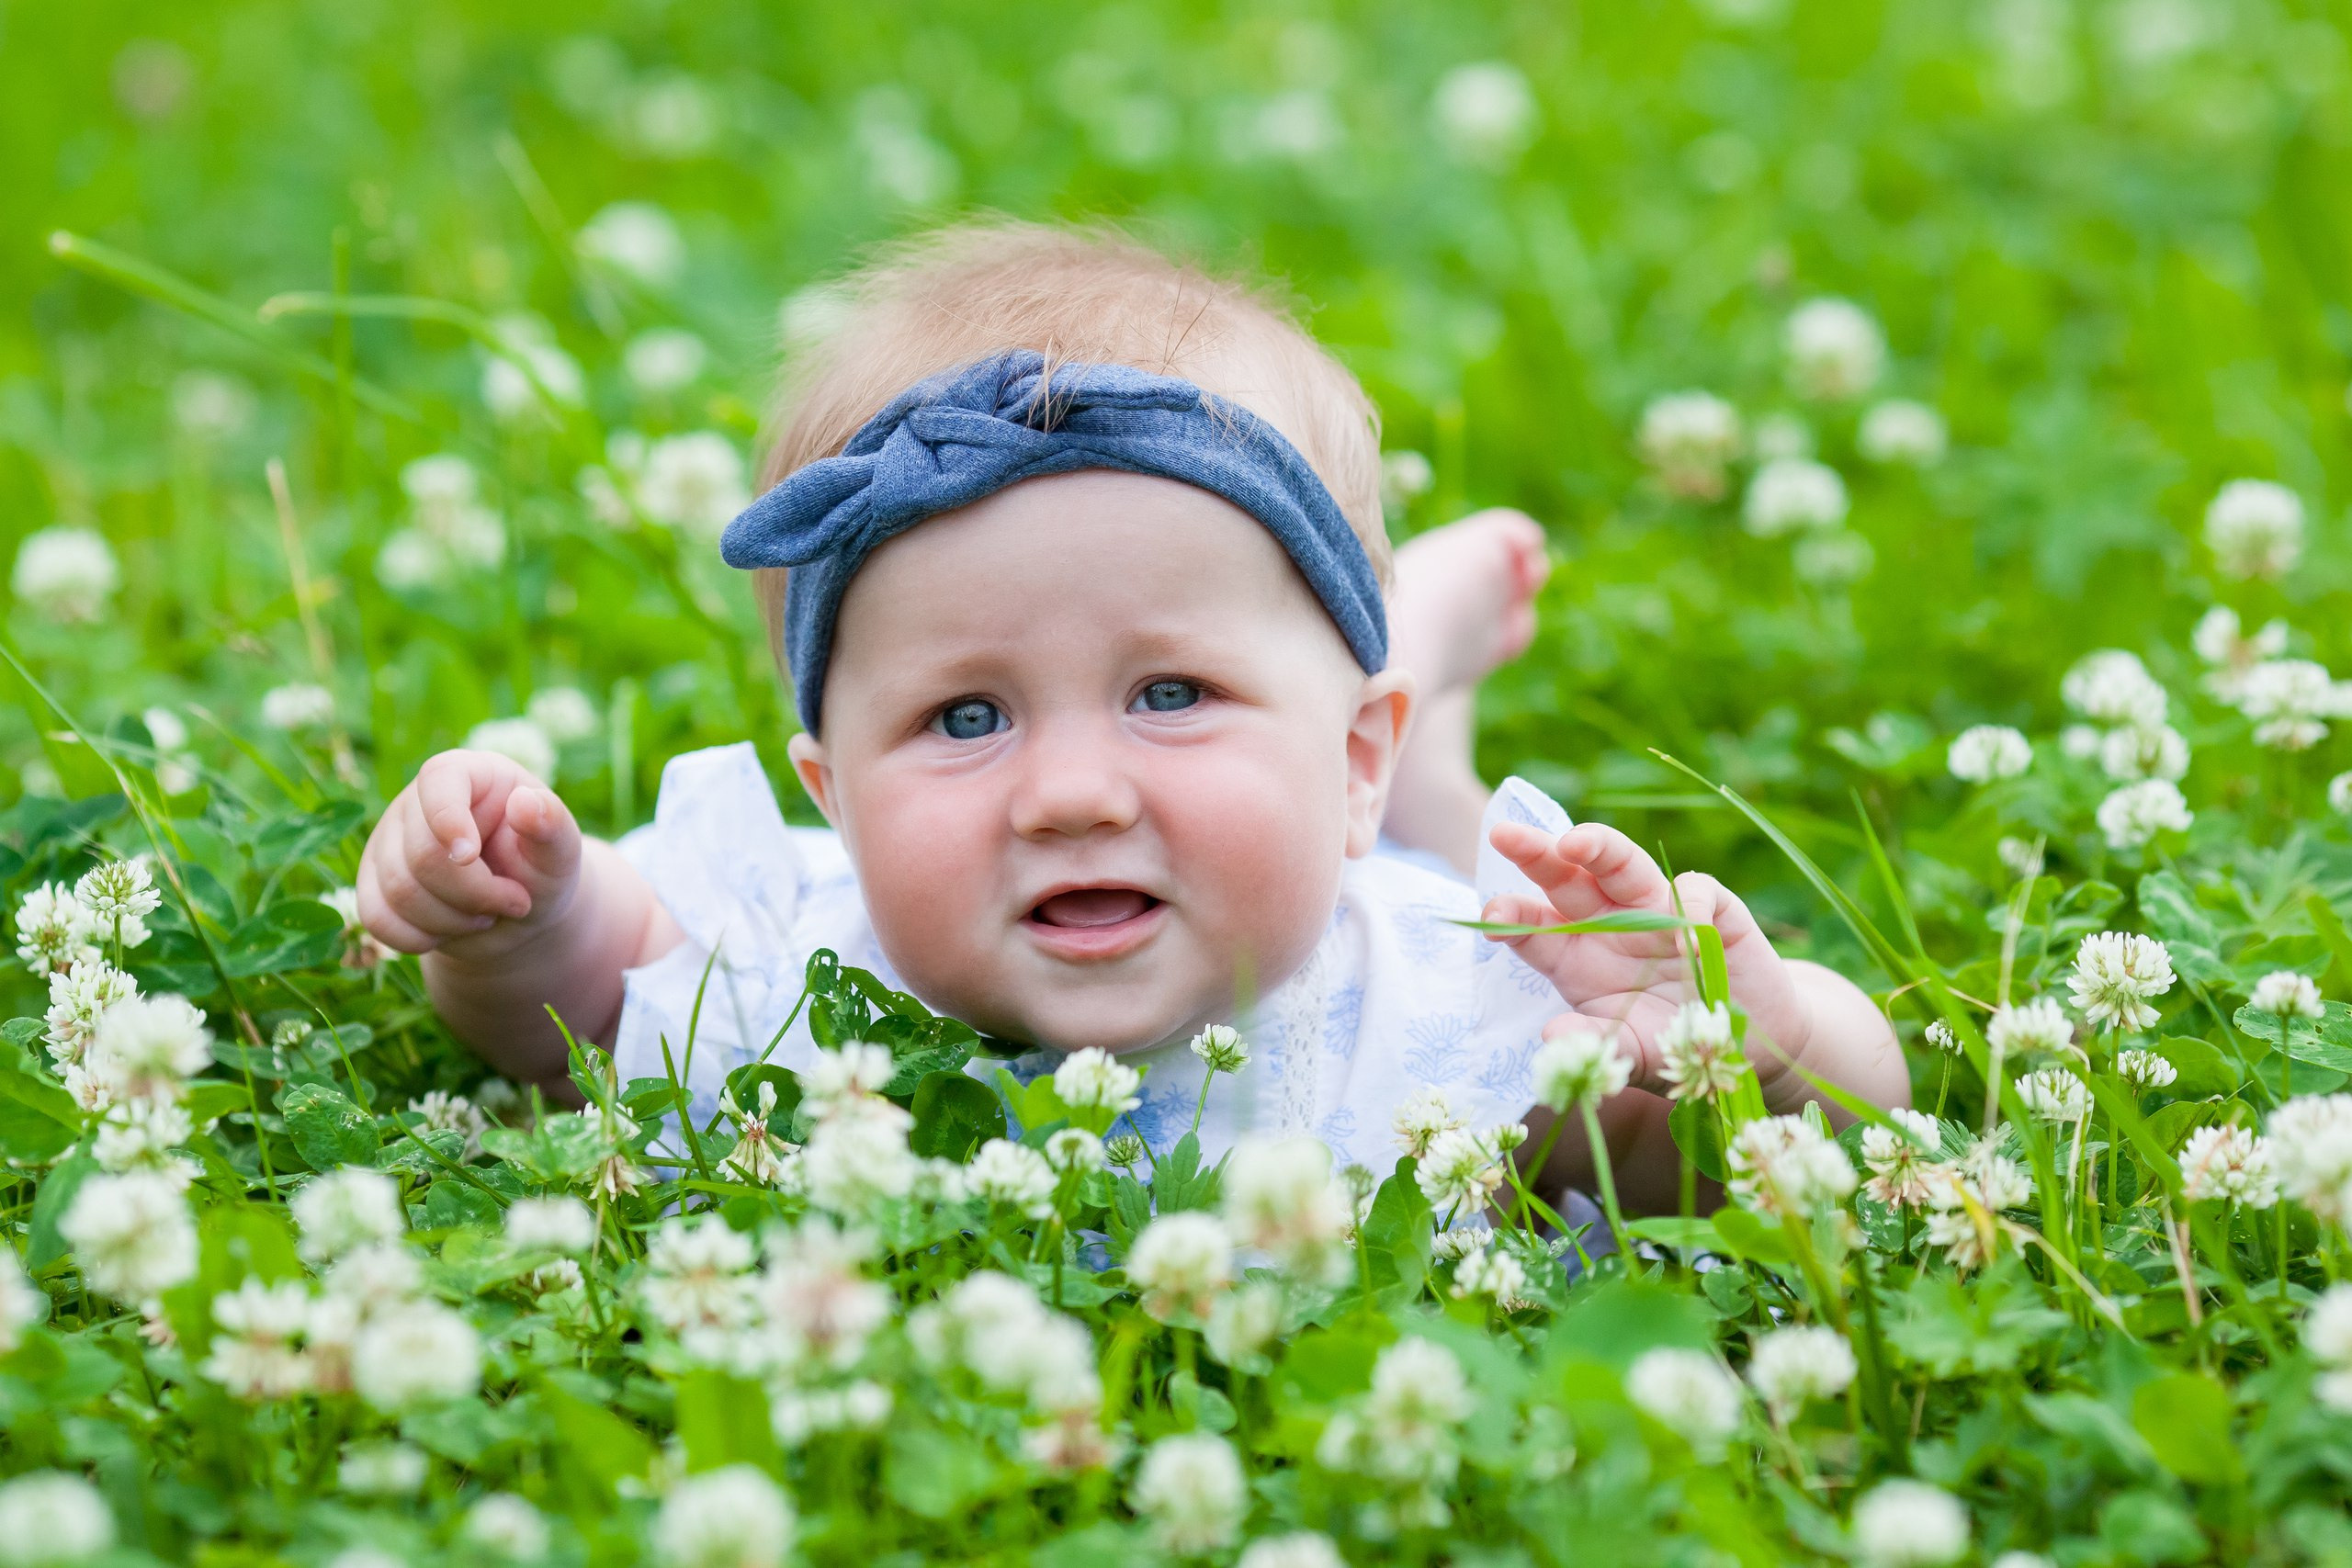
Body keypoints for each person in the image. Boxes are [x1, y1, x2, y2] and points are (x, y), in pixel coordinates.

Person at [356, 223, 1905, 1213]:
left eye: (1171, 693)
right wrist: (514, 919)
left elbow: (1774, 1153)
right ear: (829, 796)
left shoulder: (1445, 1022)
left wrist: (1759, 1053)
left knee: (1469, 863)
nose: (1072, 796)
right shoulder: (802, 984)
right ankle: (1384, 675)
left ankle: (1422, 745)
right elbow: (582, 1027)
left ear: (1336, 758)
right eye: (967, 717)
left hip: (1410, 869)